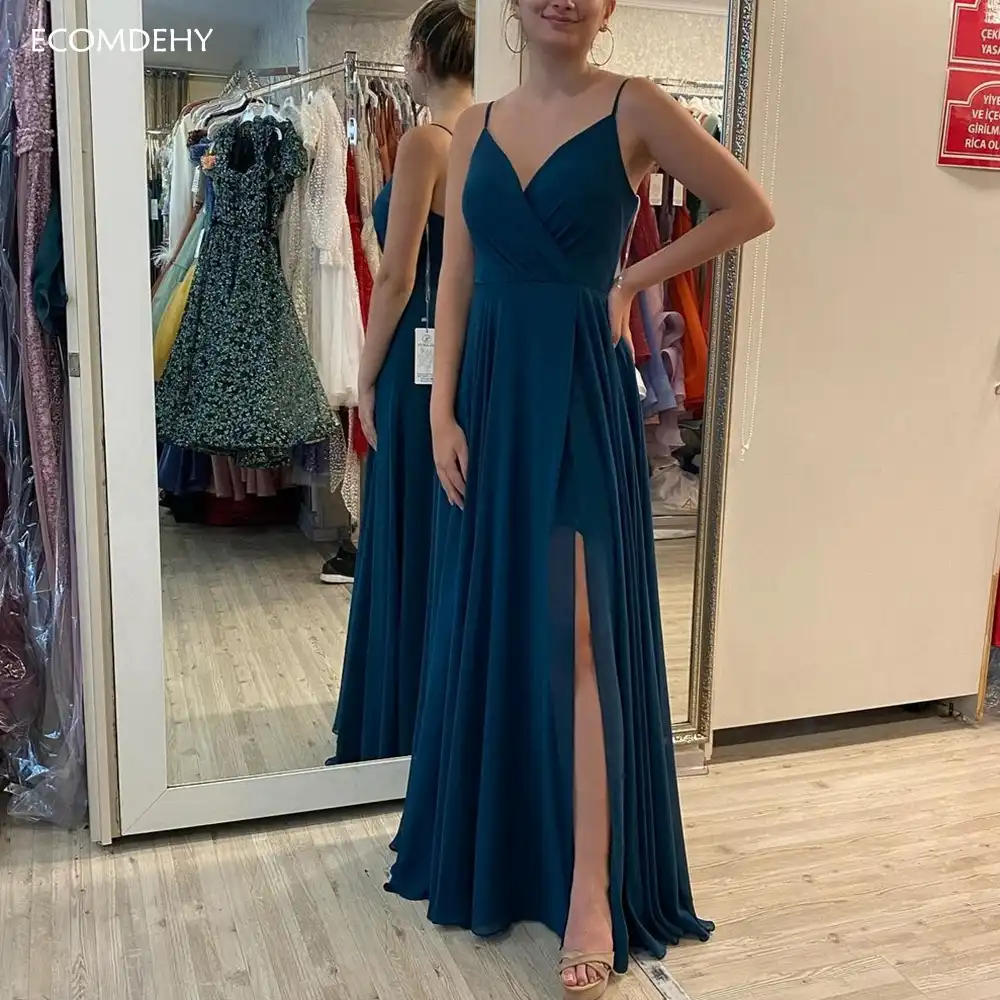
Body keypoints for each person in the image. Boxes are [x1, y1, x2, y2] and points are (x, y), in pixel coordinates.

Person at [385, 0, 774, 996]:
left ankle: (591, 886)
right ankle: (506, 842)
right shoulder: (474, 125)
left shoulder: (634, 106)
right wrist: (439, 411)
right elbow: (456, 275)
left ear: (606, 9)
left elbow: (746, 208)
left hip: (575, 396)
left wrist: (631, 279)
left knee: (584, 633)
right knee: (496, 619)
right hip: (488, 398)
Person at [328, 0, 477, 765]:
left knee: (409, 531)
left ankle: (402, 723)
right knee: (446, 536)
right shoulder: (497, 136)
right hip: (469, 359)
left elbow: (396, 275)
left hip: (418, 364)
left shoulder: (427, 140)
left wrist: (364, 371)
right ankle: (444, 717)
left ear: (419, 52)